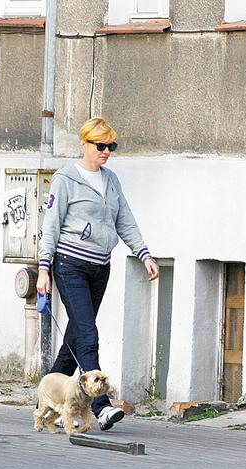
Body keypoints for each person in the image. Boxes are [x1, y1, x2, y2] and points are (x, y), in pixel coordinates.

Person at [36, 117, 159, 431]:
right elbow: (50, 226)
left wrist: (143, 253)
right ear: (85, 144)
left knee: (76, 338)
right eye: (100, 145)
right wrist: (43, 268)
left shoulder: (111, 180)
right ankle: (102, 405)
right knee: (89, 334)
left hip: (100, 267)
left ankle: (48, 396)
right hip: (70, 264)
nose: (106, 152)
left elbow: (125, 220)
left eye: (111, 146)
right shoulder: (66, 179)